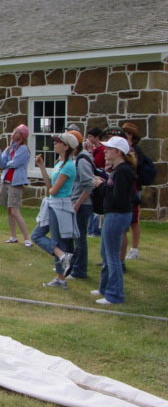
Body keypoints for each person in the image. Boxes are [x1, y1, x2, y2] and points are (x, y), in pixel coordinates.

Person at [90, 136, 137, 304]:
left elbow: (119, 198)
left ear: (118, 152)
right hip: (113, 214)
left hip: (117, 215)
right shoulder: (118, 171)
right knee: (105, 253)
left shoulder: (123, 172)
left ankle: (115, 295)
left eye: (109, 149)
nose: (106, 151)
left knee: (112, 257)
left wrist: (101, 186)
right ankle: (104, 288)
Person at [32, 132, 78, 289]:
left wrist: (51, 190)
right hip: (53, 204)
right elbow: (49, 186)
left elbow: (53, 190)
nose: (54, 144)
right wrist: (41, 167)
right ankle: (62, 260)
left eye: (57, 142)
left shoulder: (69, 166)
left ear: (66, 147)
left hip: (60, 207)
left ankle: (61, 275)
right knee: (39, 236)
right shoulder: (60, 163)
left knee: (55, 241)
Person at [0, 124, 32, 247]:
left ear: (22, 136)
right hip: (6, 181)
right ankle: (13, 236)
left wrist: (5, 164)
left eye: (16, 132)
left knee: (15, 210)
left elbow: (15, 163)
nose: (13, 134)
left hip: (16, 183)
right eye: (13, 131)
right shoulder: (9, 149)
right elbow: (1, 163)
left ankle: (27, 238)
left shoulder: (23, 149)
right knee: (9, 210)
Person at [67, 130, 94, 280]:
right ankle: (72, 267)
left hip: (82, 205)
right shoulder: (76, 158)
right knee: (74, 237)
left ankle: (79, 271)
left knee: (80, 238)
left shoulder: (82, 160)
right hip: (77, 203)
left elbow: (89, 185)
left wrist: (77, 204)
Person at [121, 122, 144, 261]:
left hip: (134, 189)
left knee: (134, 221)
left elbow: (134, 167)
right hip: (127, 188)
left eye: (126, 133)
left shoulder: (136, 151)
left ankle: (134, 249)